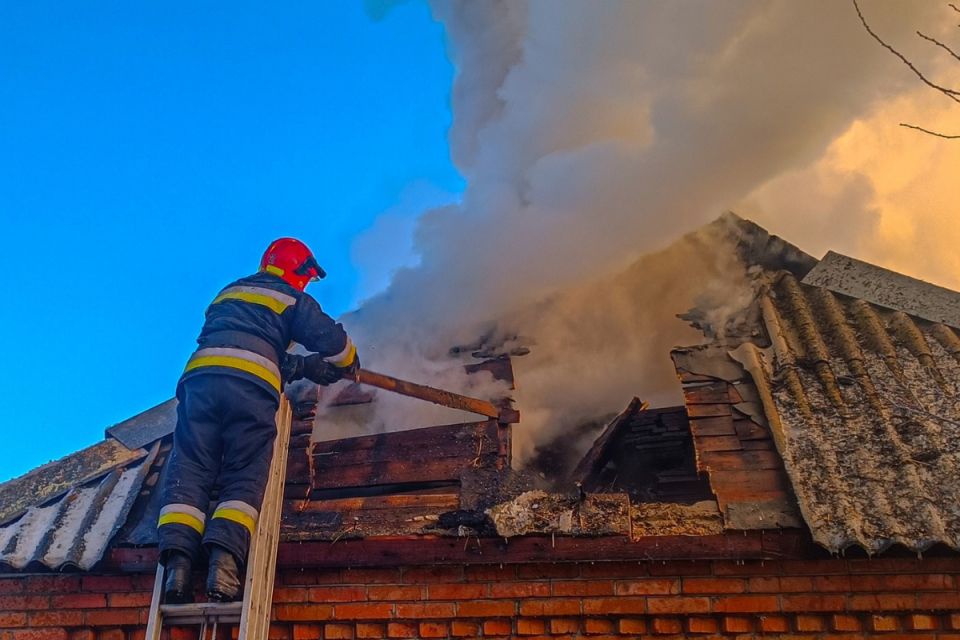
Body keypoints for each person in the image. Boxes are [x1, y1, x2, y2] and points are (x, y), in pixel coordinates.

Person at [158, 237, 359, 603]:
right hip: (249, 392)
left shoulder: (230, 292)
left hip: (200, 381)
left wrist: (302, 366)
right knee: (245, 468)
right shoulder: (291, 297)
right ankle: (223, 567)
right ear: (299, 272)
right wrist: (347, 363)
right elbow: (331, 340)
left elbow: (244, 340)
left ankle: (177, 570)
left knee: (189, 467)